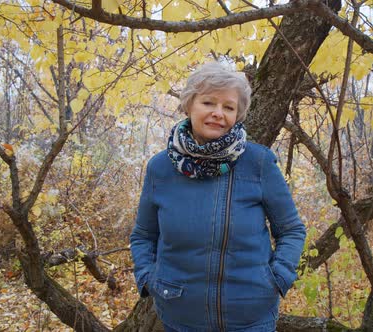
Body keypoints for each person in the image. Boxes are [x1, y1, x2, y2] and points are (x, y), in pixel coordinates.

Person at [130, 62, 306, 332]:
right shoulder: (161, 168)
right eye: (208, 102)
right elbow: (143, 235)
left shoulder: (258, 163)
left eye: (228, 107)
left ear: (238, 114)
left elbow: (291, 230)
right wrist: (149, 278)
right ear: (189, 105)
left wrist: (277, 278)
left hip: (251, 317)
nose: (218, 113)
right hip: (180, 317)